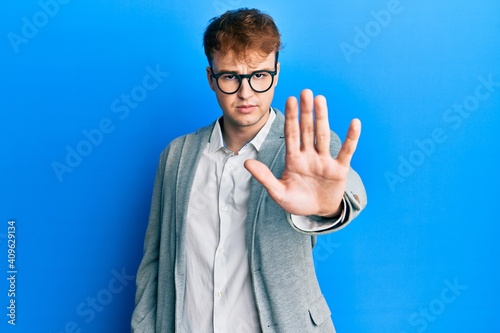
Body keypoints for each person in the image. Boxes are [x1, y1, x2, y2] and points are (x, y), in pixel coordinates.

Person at [131, 7, 367, 333]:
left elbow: (346, 193)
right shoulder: (176, 156)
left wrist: (329, 207)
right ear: (211, 78)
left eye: (259, 76)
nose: (246, 93)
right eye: (230, 76)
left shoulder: (304, 147)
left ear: (276, 73)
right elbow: (154, 262)